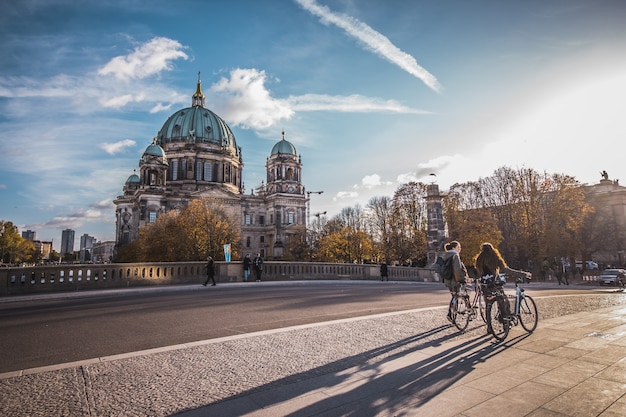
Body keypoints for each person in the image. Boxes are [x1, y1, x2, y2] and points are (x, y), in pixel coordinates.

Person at [441, 241, 469, 323]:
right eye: (458, 247)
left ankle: (453, 316)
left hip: (447, 279)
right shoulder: (455, 255)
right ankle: (451, 314)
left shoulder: (445, 255)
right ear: (454, 248)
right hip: (455, 280)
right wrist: (462, 279)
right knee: (456, 296)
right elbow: (457, 269)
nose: (460, 249)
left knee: (454, 296)